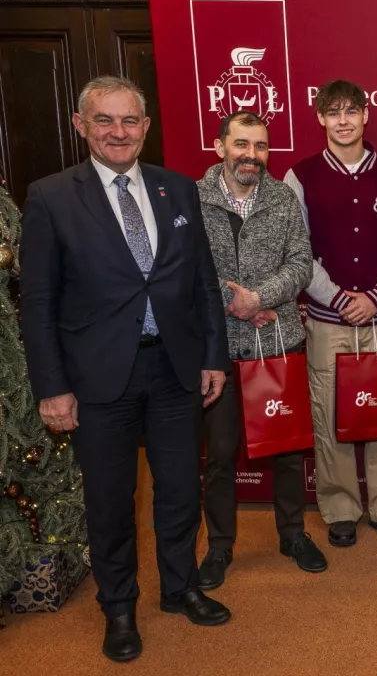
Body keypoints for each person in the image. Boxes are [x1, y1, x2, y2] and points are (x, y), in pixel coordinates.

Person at [20, 76, 230, 662]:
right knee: (111, 502)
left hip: (174, 370)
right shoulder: (52, 196)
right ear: (80, 125)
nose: (119, 131)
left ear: (146, 126)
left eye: (130, 120)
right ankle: (118, 608)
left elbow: (203, 284)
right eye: (105, 120)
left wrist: (214, 356)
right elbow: (37, 303)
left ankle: (180, 587)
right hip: (95, 378)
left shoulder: (177, 189)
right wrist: (52, 388)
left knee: (180, 490)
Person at [197, 110, 326, 589]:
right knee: (220, 455)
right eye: (241, 144)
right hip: (220, 351)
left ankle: (293, 534)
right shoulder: (193, 198)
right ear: (220, 147)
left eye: (260, 146)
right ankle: (220, 546)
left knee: (288, 449)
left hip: (277, 342)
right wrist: (238, 303)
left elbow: (301, 264)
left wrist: (261, 298)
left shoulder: (283, 197)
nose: (251, 155)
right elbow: (183, 270)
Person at [283, 80, 377, 549]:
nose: (343, 120)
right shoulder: (301, 176)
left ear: (365, 115)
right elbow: (296, 251)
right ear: (320, 118)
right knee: (329, 413)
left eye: (351, 111)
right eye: (333, 112)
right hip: (327, 321)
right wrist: (337, 298)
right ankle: (339, 508)